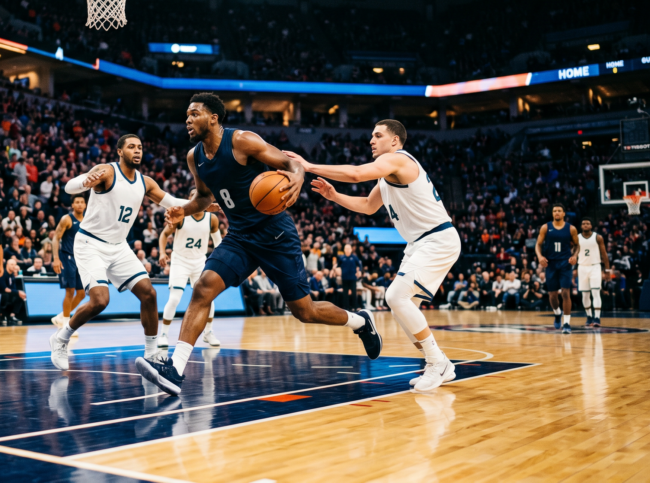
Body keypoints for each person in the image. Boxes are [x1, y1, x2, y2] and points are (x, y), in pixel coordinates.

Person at [137, 94, 381, 396]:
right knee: (203, 288)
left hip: (275, 233)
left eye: (195, 114)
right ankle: (175, 370)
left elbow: (290, 162)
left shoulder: (241, 141)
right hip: (239, 236)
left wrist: (298, 177)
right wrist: (183, 209)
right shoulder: (194, 156)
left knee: (304, 311)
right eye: (186, 115)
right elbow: (204, 197)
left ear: (213, 118)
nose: (188, 119)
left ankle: (360, 321)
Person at [283, 118, 459, 392]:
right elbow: (367, 205)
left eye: (377, 135)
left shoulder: (399, 160)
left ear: (395, 141)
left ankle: (439, 363)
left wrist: (309, 166)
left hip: (437, 237)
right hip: (420, 243)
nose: (371, 141)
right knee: (401, 308)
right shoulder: (387, 174)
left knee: (394, 296)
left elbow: (355, 174)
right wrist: (334, 196)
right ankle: (437, 362)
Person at [51, 133, 212, 373]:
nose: (137, 150)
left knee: (149, 294)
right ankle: (61, 339)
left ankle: (151, 353)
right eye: (131, 147)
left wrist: (203, 204)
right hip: (90, 244)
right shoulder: (106, 171)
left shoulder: (145, 182)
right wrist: (84, 182)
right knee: (100, 301)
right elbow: (69, 186)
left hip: (118, 246)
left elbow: (170, 201)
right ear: (119, 151)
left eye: (140, 147)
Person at [157, 189, 224, 348]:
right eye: (193, 196)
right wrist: (161, 252)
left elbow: (219, 244)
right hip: (180, 260)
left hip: (200, 261)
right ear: (189, 200)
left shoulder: (211, 219)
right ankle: (164, 334)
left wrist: (221, 260)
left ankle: (208, 332)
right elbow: (164, 234)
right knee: (174, 298)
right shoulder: (181, 216)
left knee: (208, 298)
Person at [536, 204, 579, 334]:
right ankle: (557, 313)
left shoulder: (571, 229)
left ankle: (566, 323)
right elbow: (538, 245)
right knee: (552, 295)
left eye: (559, 210)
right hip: (551, 264)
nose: (557, 213)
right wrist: (540, 256)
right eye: (554, 211)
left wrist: (575, 256)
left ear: (564, 213)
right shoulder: (545, 227)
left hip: (565, 263)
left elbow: (577, 245)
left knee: (566, 293)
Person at [50, 194, 85, 329]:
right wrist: (56, 259)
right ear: (73, 205)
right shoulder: (67, 219)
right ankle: (66, 324)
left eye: (82, 202)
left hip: (81, 259)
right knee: (70, 291)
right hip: (67, 257)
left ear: (86, 205)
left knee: (81, 293)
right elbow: (55, 238)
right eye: (77, 202)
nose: (80, 204)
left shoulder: (88, 220)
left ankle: (60, 317)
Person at [577, 217, 610, 328]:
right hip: (582, 267)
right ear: (581, 226)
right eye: (583, 223)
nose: (585, 225)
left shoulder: (598, 237)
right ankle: (589, 317)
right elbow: (572, 252)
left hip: (595, 266)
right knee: (585, 294)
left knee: (595, 292)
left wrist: (607, 270)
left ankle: (597, 317)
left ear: (591, 226)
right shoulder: (576, 238)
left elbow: (604, 254)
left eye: (588, 223)